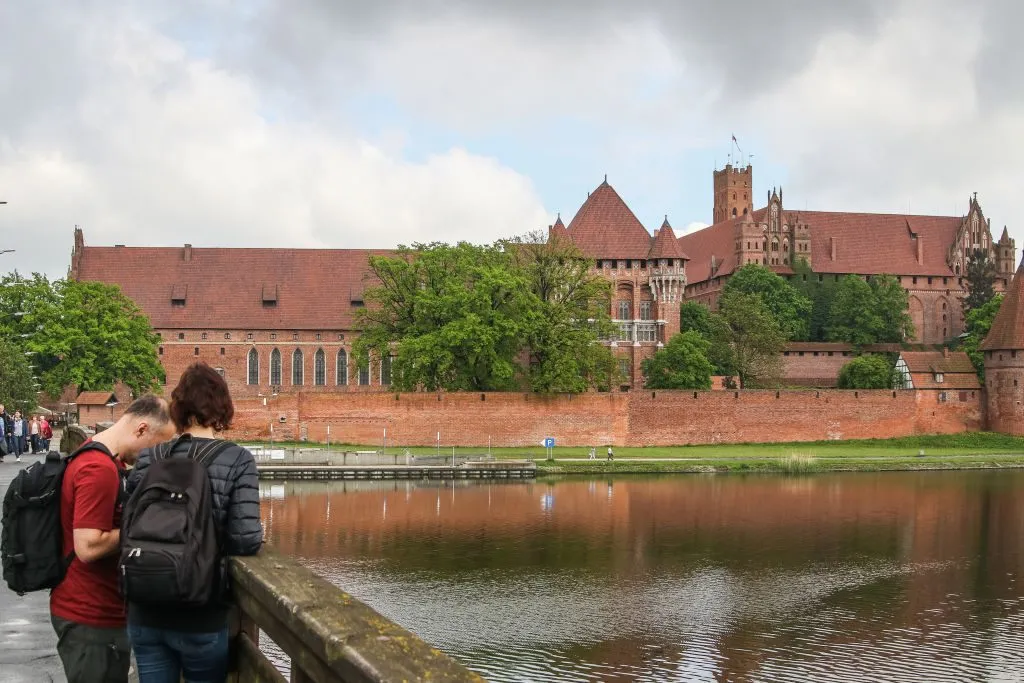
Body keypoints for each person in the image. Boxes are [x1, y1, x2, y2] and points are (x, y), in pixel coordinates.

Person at [127, 363, 263, 683]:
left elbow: (128, 520)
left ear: (179, 407)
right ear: (222, 408)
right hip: (200, 612)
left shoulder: (150, 457)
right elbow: (244, 540)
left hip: (146, 608)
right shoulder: (237, 459)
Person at [49, 395, 176, 683]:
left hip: (94, 615)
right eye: (157, 446)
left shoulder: (97, 457)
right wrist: (147, 527)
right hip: (91, 618)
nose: (154, 456)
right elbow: (88, 545)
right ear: (141, 430)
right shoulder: (99, 469)